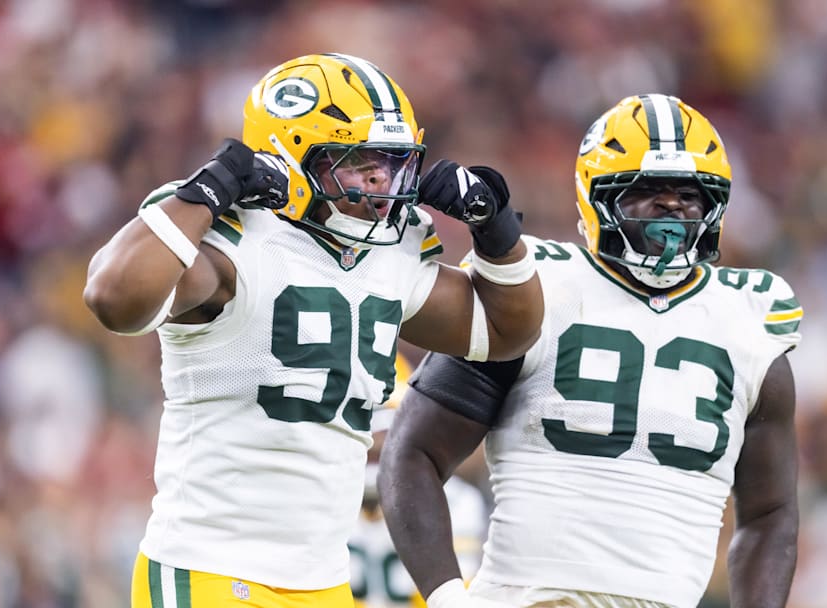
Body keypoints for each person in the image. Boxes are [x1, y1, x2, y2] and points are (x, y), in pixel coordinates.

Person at [83, 53, 543, 608]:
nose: (381, 181)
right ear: (290, 157)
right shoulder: (232, 237)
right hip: (209, 568)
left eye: (392, 163)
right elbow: (114, 299)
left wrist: (495, 230)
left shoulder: (389, 254)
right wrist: (208, 190)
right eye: (358, 162)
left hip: (323, 581)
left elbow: (505, 331)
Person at [379, 94, 802, 608]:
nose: (672, 207)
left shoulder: (750, 320)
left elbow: (771, 513)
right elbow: (412, 453)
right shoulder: (537, 292)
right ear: (596, 198)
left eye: (691, 193)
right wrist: (448, 598)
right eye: (647, 190)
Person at [347, 354, 488, 608]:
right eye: (372, 417)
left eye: (388, 419)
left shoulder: (455, 501)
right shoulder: (320, 494)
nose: (378, 439)